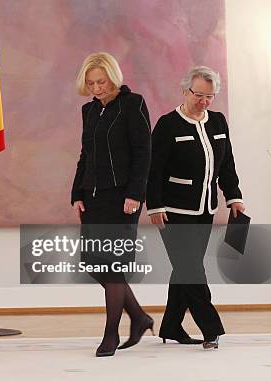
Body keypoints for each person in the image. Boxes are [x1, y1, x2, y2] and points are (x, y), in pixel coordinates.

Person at [146, 66, 245, 350]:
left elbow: (227, 164)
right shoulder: (168, 124)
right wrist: (154, 205)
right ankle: (211, 327)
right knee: (190, 267)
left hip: (205, 210)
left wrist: (233, 196)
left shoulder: (218, 122)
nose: (203, 101)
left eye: (209, 96)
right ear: (185, 90)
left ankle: (172, 325)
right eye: (198, 95)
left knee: (184, 268)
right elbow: (153, 170)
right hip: (173, 211)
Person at [71, 52, 154, 357]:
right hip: (93, 198)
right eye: (91, 83)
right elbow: (86, 155)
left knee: (114, 265)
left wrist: (135, 194)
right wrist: (77, 193)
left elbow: (144, 152)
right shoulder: (89, 111)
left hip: (123, 199)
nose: (96, 88)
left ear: (113, 77)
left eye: (101, 81)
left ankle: (111, 335)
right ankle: (140, 317)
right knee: (93, 263)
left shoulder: (134, 104)